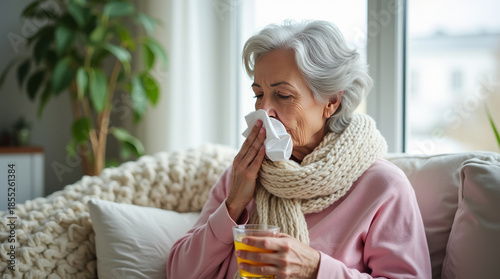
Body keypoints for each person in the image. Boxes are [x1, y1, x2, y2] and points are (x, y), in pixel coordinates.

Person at [167, 20, 431, 279]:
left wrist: (315, 268)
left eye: (283, 95)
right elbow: (178, 273)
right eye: (258, 94)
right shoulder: (242, 176)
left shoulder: (383, 187)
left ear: (331, 102)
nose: (263, 111)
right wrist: (233, 204)